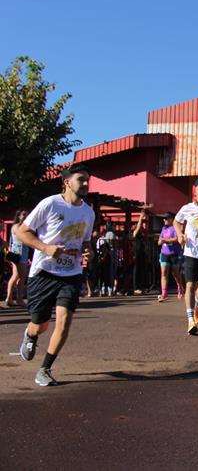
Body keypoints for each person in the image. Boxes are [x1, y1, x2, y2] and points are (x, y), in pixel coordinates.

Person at [15, 164, 95, 386]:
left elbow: (86, 241)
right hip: (44, 272)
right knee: (40, 324)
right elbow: (21, 232)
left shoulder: (88, 212)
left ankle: (45, 369)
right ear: (67, 182)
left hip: (71, 273)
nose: (87, 184)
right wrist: (45, 248)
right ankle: (30, 335)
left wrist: (89, 250)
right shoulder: (50, 204)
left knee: (64, 320)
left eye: (88, 179)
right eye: (82, 179)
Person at [174, 185, 198, 335]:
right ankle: (190, 320)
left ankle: (196, 305)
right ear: (194, 195)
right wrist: (179, 234)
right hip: (191, 252)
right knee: (190, 285)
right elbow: (177, 222)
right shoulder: (187, 208)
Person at [4, 210, 30, 307]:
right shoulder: (17, 227)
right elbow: (23, 237)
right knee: (22, 276)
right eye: (24, 214)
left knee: (16, 276)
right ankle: (19, 299)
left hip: (20, 252)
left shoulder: (20, 226)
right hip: (19, 253)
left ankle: (10, 298)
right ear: (18, 216)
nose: (26, 216)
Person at [157, 213, 183, 302]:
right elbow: (159, 241)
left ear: (172, 219)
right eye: (164, 219)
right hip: (164, 253)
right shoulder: (163, 229)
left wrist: (166, 240)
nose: (165, 220)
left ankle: (180, 287)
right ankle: (164, 294)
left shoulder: (175, 227)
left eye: (166, 218)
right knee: (164, 273)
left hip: (174, 254)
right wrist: (161, 241)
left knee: (175, 273)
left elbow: (176, 238)